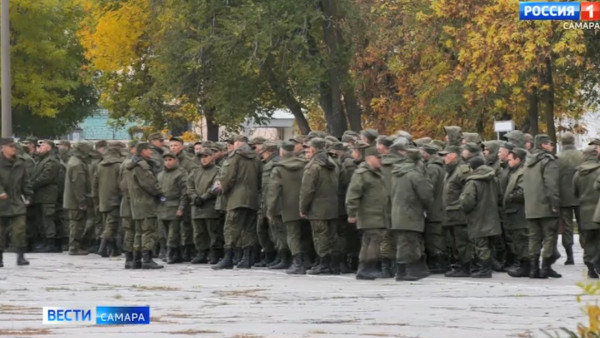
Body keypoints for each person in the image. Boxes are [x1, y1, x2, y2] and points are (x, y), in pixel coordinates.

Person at [212, 135, 262, 270]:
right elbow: (259, 178)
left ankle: (228, 258)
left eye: (232, 143)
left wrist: (221, 187)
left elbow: (228, 177)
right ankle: (247, 259)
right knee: (249, 229)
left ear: (238, 143)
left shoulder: (235, 156)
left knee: (231, 227)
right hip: (252, 198)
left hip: (236, 198)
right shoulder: (256, 157)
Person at [346, 147, 390, 280]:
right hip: (369, 214)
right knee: (374, 240)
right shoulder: (362, 174)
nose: (381, 160)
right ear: (370, 158)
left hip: (378, 213)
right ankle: (368, 267)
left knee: (369, 241)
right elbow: (353, 195)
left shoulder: (377, 173)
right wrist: (352, 213)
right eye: (378, 158)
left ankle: (364, 268)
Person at [391, 147, 434, 281]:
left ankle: (403, 271)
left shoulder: (397, 173)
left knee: (403, 242)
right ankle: (406, 271)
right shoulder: (415, 175)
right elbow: (426, 194)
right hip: (411, 212)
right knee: (409, 243)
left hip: (398, 212)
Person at [267, 141, 309, 274]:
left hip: (288, 206)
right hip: (306, 205)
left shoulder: (278, 168)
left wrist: (271, 210)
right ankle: (307, 260)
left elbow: (273, 191)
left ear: (282, 152)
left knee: (292, 235)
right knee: (306, 235)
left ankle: (297, 263)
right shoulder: (305, 165)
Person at [300, 137, 340, 275]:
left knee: (320, 235)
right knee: (332, 236)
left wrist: (303, 208)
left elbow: (307, 190)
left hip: (317, 207)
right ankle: (335, 264)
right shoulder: (333, 164)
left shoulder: (313, 166)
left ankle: (324, 264)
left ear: (312, 148)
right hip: (333, 206)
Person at [523, 134, 561, 279]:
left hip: (531, 208)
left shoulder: (528, 162)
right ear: (543, 145)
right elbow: (551, 185)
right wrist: (555, 204)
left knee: (534, 238)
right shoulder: (548, 161)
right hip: (546, 206)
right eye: (549, 143)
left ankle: (533, 269)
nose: (551, 146)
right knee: (550, 237)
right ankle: (545, 268)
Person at [459, 156, 502, 278]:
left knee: (480, 244)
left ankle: (484, 270)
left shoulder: (472, 182)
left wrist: (462, 204)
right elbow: (500, 195)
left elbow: (467, 202)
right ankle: (487, 267)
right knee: (490, 244)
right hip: (492, 216)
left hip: (477, 216)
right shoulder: (494, 179)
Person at [126, 142, 164, 269]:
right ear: (143, 151)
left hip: (136, 203)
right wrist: (160, 193)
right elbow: (150, 184)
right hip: (146, 203)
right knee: (149, 231)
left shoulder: (131, 165)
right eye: (149, 150)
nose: (151, 152)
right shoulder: (142, 166)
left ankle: (136, 259)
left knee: (138, 232)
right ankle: (147, 259)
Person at [0, 138, 33, 267]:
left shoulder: (20, 163)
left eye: (14, 146)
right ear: (2, 148)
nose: (13, 149)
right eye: (10, 146)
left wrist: (28, 195)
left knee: (20, 230)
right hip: (2, 203)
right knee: (0, 232)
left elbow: (26, 181)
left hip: (16, 202)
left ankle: (21, 256)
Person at [188, 149, 222, 265]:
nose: (203, 158)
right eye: (201, 156)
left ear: (212, 157)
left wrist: (204, 197)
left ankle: (214, 253)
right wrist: (194, 197)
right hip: (196, 206)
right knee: (198, 232)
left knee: (212, 231)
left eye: (206, 156)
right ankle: (201, 252)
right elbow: (189, 186)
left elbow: (216, 186)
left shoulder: (217, 171)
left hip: (210, 205)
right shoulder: (195, 171)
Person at [557, 132, 583, 265]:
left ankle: (570, 256)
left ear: (562, 142)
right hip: (580, 195)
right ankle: (587, 252)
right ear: (573, 141)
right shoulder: (582, 155)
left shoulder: (557, 157)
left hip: (563, 197)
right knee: (582, 224)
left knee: (567, 226)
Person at [421, 142, 448, 273]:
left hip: (434, 208)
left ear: (427, 153)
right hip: (439, 207)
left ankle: (439, 263)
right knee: (437, 236)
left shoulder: (432, 168)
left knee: (435, 237)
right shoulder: (440, 166)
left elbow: (429, 188)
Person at [574, 146, 600, 278]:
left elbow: (575, 192)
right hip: (597, 210)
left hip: (583, 211)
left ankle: (589, 265)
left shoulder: (578, 173)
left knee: (588, 240)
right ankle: (598, 263)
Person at [504, 148, 530, 278]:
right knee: (518, 240)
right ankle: (522, 264)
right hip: (514, 212)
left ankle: (526, 265)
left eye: (510, 160)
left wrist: (510, 197)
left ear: (517, 159)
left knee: (522, 239)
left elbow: (522, 192)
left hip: (520, 212)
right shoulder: (514, 172)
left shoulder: (522, 172)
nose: (508, 162)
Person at [157, 152, 188, 263]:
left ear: (175, 160)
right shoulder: (160, 175)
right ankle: (171, 253)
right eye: (166, 160)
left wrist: (181, 207)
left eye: (170, 159)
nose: (168, 162)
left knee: (173, 233)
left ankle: (170, 254)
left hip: (174, 206)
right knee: (163, 233)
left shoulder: (180, 174)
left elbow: (184, 192)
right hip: (162, 207)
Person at [31, 140, 61, 253]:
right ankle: (44, 241)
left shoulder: (51, 161)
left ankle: (50, 243)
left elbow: (46, 177)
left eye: (43, 146)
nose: (40, 148)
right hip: (40, 195)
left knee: (48, 218)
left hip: (47, 195)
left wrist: (31, 185)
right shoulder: (41, 160)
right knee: (41, 219)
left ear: (49, 148)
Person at [94, 143, 124, 257]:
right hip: (115, 199)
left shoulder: (100, 165)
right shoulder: (118, 165)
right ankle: (102, 247)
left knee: (107, 223)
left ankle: (113, 249)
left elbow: (95, 183)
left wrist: (96, 198)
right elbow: (121, 183)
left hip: (103, 199)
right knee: (112, 225)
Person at [63, 142, 92, 256]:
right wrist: (82, 201)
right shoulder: (78, 164)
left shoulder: (73, 161)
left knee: (75, 223)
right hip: (75, 200)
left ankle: (75, 245)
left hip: (72, 199)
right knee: (77, 223)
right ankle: (74, 246)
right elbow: (78, 184)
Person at [119, 140, 138, 269]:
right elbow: (125, 186)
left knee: (130, 231)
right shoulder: (129, 164)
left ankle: (130, 257)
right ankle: (130, 257)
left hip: (128, 203)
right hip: (129, 203)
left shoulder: (125, 163)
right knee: (131, 231)